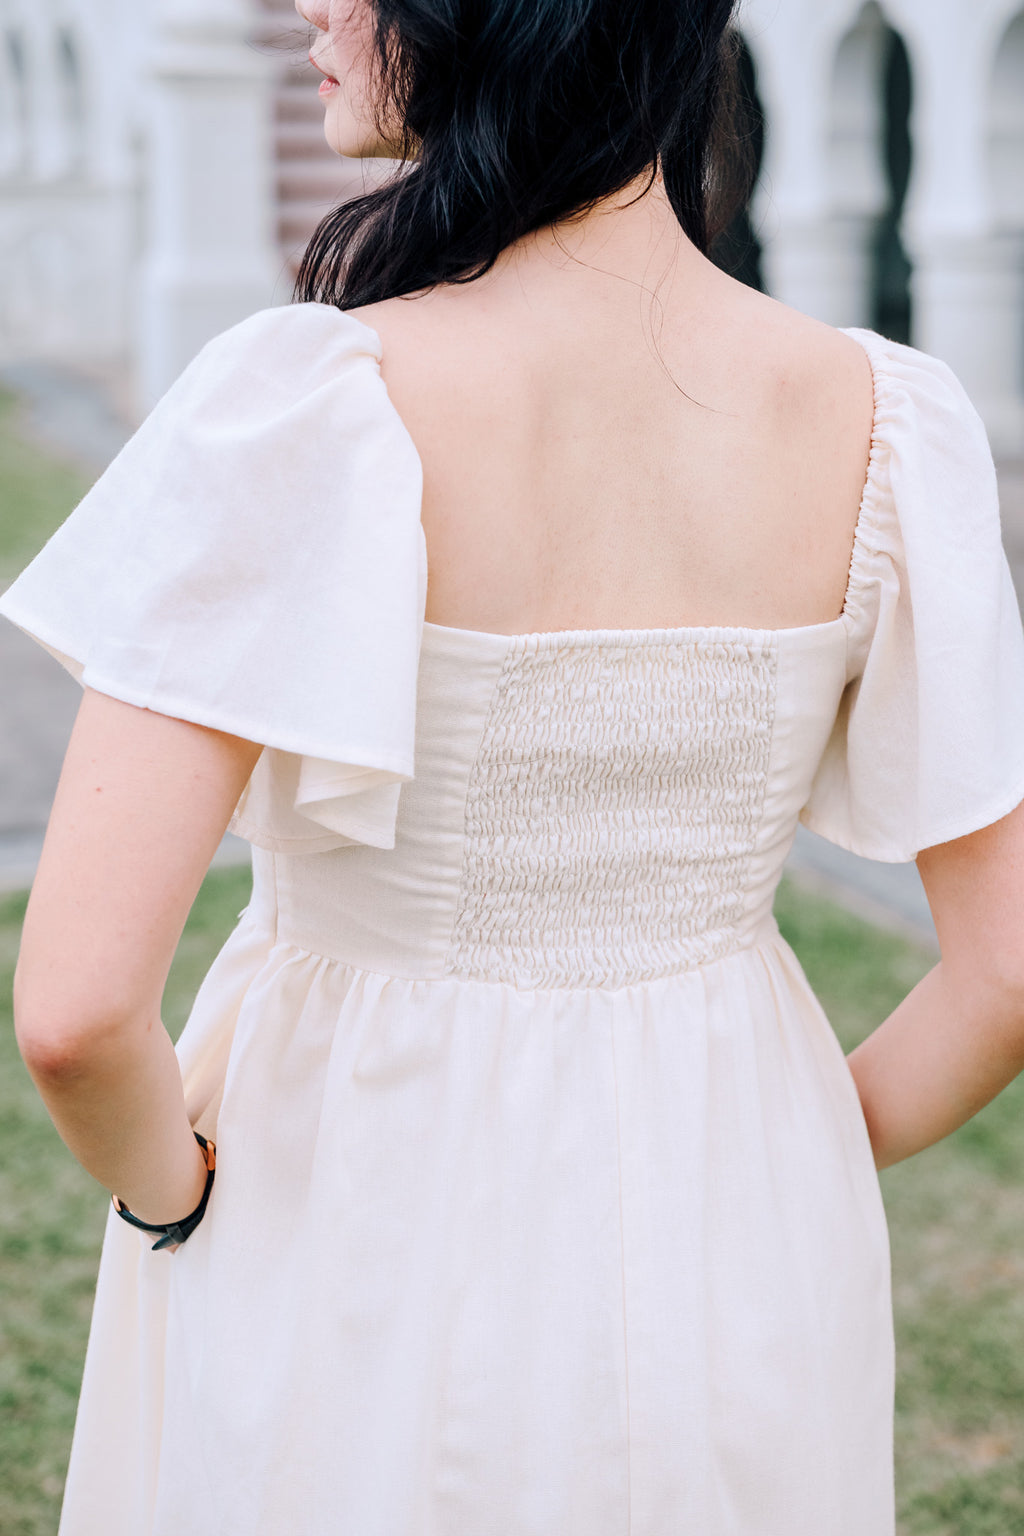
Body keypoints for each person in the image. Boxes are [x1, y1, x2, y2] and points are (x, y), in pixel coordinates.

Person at [3, 0, 1024, 1531]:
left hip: (348, 1176)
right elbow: (1004, 971)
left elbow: (79, 1012)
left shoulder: (310, 403)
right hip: (737, 1189)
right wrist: (791, 1144)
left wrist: (177, 1195)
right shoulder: (888, 415)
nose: (312, 5)